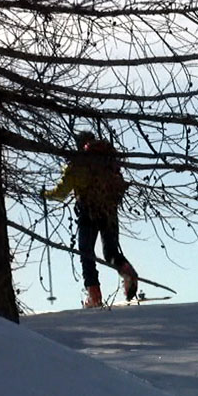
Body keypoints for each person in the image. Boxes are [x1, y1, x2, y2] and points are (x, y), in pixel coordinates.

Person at [42, 131, 138, 308]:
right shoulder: (107, 162)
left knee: (86, 252)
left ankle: (94, 296)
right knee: (110, 251)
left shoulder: (78, 165)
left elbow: (61, 193)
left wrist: (46, 194)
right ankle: (127, 272)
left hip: (88, 212)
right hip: (109, 210)